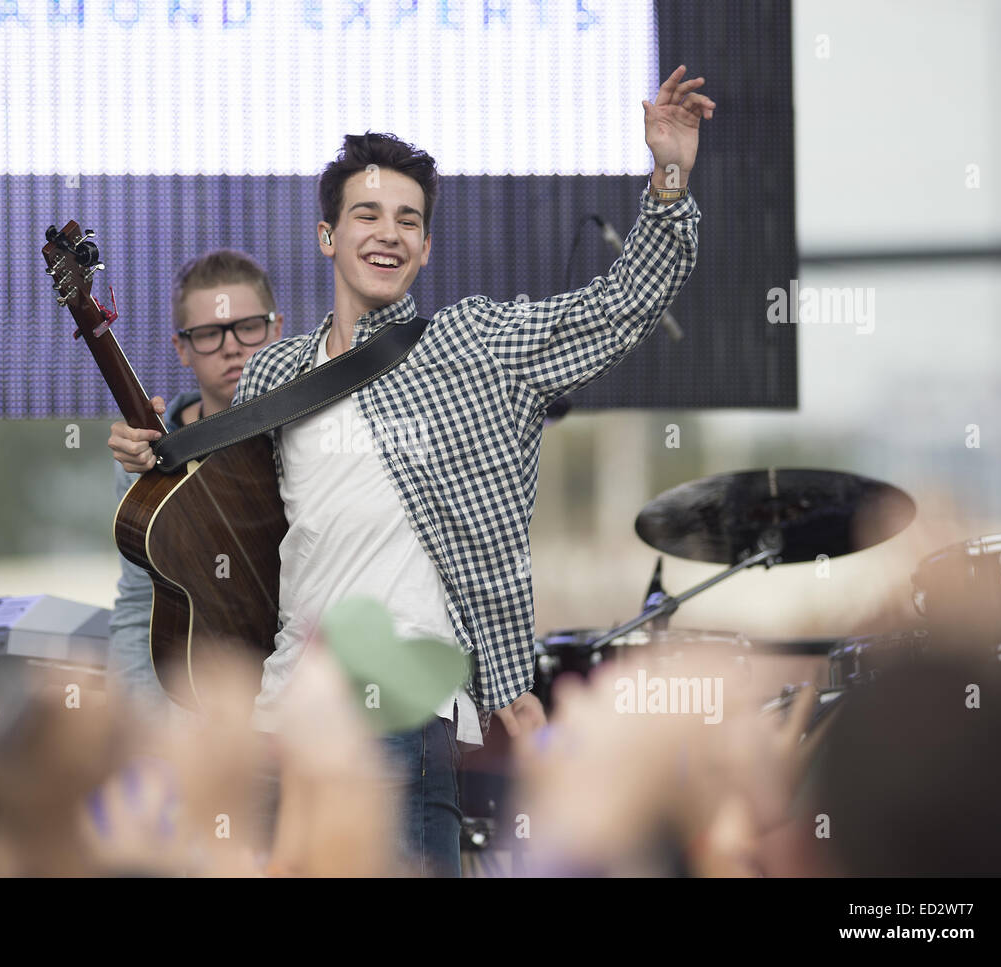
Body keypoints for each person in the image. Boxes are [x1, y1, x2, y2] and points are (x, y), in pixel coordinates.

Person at [110, 65, 714, 875]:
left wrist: (669, 175)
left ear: (427, 247)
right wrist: (154, 459)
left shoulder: (474, 343)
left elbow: (623, 304)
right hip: (280, 710)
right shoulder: (272, 374)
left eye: (407, 219)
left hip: (402, 708)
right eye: (366, 214)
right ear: (328, 236)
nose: (386, 232)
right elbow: (223, 534)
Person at [105, 250, 283, 718]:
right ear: (181, 348)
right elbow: (139, 606)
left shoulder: (310, 437)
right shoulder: (145, 454)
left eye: (249, 327)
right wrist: (144, 732)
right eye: (208, 334)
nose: (232, 347)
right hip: (196, 713)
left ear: (277, 329)